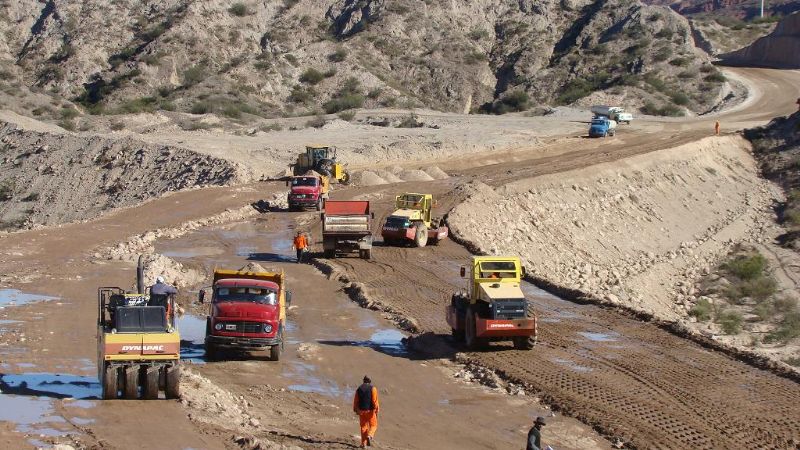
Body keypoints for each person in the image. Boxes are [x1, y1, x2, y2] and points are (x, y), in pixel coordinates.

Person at [353, 375, 380, 448]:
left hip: (361, 411)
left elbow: (356, 401)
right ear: (370, 381)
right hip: (370, 411)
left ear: (363, 380)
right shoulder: (373, 388)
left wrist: (355, 409)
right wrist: (377, 409)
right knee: (374, 425)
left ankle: (363, 444)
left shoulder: (359, 389)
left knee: (363, 427)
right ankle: (370, 435)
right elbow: (374, 401)